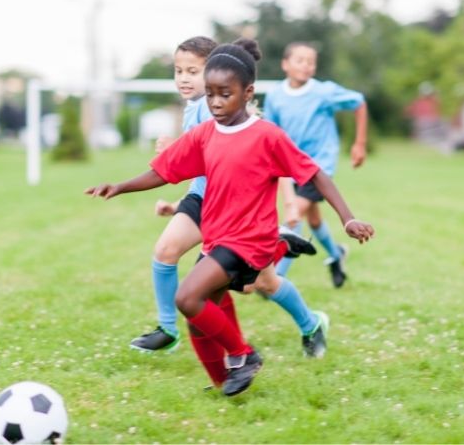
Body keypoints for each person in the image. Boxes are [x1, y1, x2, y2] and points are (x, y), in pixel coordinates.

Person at [86, 38, 374, 396]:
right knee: (199, 318)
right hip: (218, 237)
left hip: (247, 241)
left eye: (226, 94)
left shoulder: (266, 136)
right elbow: (165, 171)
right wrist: (120, 186)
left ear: (247, 92)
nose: (216, 102)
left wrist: (347, 218)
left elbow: (314, 174)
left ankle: (244, 354)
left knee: (187, 298)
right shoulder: (206, 133)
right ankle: (226, 386)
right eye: (211, 94)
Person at [131, 36, 316, 356]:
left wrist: (288, 204)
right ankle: (170, 329)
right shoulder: (193, 109)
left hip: (232, 210)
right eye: (178, 71)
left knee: (262, 285)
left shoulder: (224, 110)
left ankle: (310, 324)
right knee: (166, 251)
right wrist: (175, 200)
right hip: (200, 200)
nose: (183, 78)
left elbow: (274, 162)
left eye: (193, 71)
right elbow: (199, 166)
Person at [264, 42, 368, 288]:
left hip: (318, 166)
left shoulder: (324, 92)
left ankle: (278, 277)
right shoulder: (275, 96)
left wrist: (360, 143)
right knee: (313, 220)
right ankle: (336, 254)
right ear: (285, 64)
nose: (306, 65)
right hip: (289, 166)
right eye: (300, 60)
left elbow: (359, 102)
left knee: (294, 213)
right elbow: (270, 132)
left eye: (311, 61)